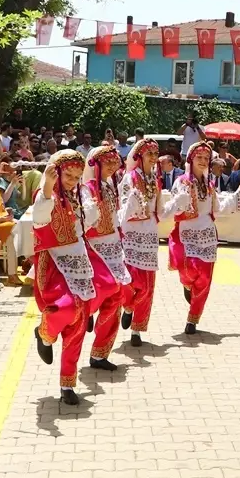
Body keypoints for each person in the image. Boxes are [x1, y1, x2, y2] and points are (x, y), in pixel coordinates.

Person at [31, 150, 96, 405]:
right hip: (55, 262)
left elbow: (85, 226)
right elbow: (39, 218)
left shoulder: (77, 195)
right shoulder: (47, 195)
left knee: (79, 324)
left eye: (77, 176)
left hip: (78, 259)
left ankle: (67, 383)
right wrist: (47, 184)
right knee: (65, 309)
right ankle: (44, 333)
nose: (72, 180)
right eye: (67, 174)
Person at [170, 141, 240, 335]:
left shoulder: (209, 185)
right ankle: (186, 283)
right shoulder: (181, 182)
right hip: (188, 234)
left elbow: (218, 208)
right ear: (190, 159)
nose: (203, 161)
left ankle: (193, 319)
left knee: (205, 278)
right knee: (190, 269)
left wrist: (238, 196)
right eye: (199, 157)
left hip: (207, 235)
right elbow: (176, 207)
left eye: (206, 158)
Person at [118, 139, 189, 347]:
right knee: (130, 282)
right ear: (139, 156)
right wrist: (131, 205)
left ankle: (137, 331)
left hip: (149, 237)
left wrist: (176, 204)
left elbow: (160, 213)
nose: (152, 157)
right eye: (148, 153)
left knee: (147, 287)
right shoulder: (128, 179)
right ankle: (128, 307)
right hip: (131, 236)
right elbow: (122, 211)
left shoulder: (156, 181)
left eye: (154, 153)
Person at [77, 146, 132, 368]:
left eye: (114, 162)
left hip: (113, 247)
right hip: (94, 248)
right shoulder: (86, 189)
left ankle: (100, 353)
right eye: (107, 162)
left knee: (116, 297)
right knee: (105, 287)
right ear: (95, 164)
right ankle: (87, 311)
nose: (112, 166)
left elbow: (115, 216)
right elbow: (85, 219)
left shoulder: (110, 187)